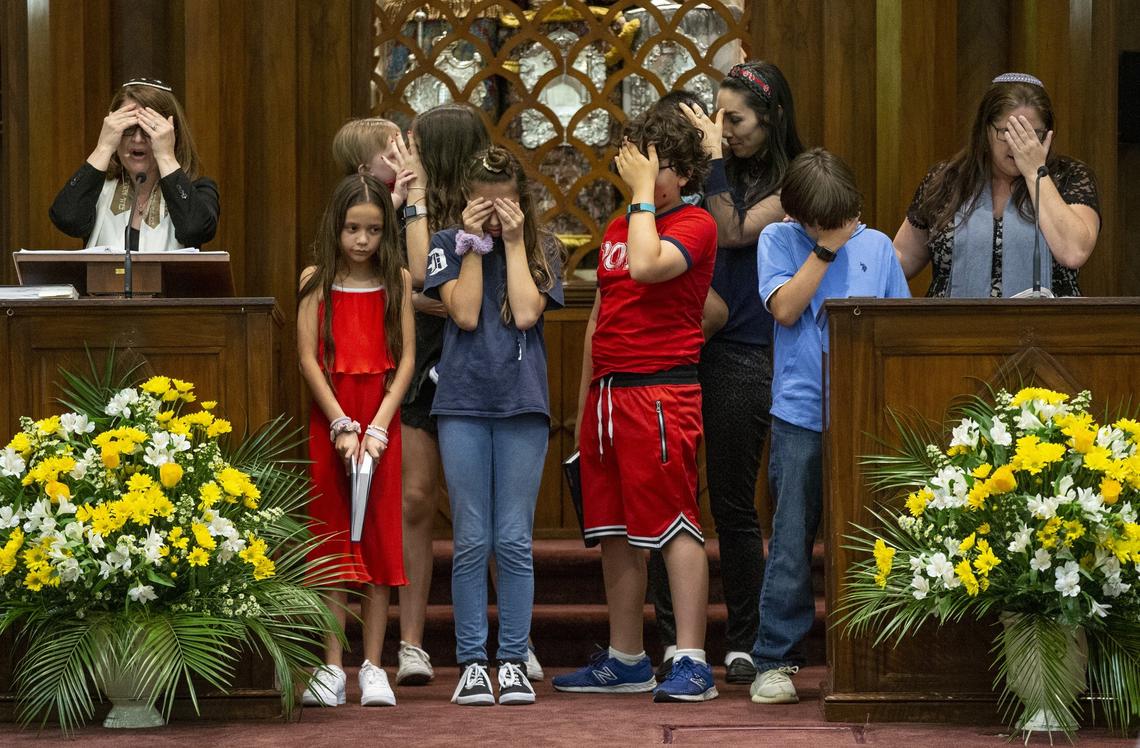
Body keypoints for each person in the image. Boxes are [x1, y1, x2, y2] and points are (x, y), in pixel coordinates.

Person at [552, 104, 718, 703]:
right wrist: (581, 405)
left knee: (674, 522)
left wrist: (645, 195)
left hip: (661, 390)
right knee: (614, 527)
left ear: (679, 169)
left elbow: (648, 269)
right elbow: (602, 313)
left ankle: (693, 660)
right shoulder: (621, 223)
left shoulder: (694, 222)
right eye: (641, 160)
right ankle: (626, 657)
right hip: (608, 393)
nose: (643, 172)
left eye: (657, 163)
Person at [648, 62, 805, 683]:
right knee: (671, 501)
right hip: (677, 348)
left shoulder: (792, 179)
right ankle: (672, 639)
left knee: (735, 503)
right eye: (716, 117)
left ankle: (743, 638)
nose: (723, 129)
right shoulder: (705, 167)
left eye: (734, 119)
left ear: (769, 122)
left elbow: (731, 227)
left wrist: (712, 163)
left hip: (744, 348)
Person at [749, 148, 910, 705]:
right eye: (823, 222)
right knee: (792, 541)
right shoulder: (776, 241)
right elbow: (786, 309)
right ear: (798, 216)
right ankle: (774, 661)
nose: (844, 228)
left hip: (864, 417)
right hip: (799, 415)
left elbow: (899, 332)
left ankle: (874, 659)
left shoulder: (880, 247)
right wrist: (823, 248)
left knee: (871, 540)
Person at [422, 145, 563, 706]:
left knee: (513, 540)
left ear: (520, 202)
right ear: (466, 200)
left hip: (522, 405)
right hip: (461, 402)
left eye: (503, 201)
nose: (493, 209)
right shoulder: (444, 247)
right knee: (470, 540)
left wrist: (513, 240)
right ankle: (473, 662)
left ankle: (512, 658)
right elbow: (464, 312)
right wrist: (474, 245)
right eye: (482, 201)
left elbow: (526, 313)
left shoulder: (542, 246)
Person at [297, 174, 415, 707]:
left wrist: (379, 426)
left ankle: (373, 666)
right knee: (331, 542)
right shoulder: (315, 280)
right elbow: (309, 360)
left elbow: (407, 359)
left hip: (380, 429)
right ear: (336, 228)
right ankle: (331, 667)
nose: (362, 240)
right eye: (351, 229)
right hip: (333, 424)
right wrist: (343, 425)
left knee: (378, 540)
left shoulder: (399, 282)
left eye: (371, 229)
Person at [893, 72, 1099, 297]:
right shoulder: (947, 179)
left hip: (1045, 329)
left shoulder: (1070, 177)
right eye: (1007, 132)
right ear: (985, 129)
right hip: (952, 329)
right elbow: (902, 258)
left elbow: (1073, 252)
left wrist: (1035, 172)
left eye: (1032, 134)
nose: (1017, 145)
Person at [49, 78, 219, 251]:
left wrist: (166, 156)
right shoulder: (97, 190)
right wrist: (104, 147)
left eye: (149, 128)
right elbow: (66, 219)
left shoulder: (199, 190)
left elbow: (195, 230)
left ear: (171, 135)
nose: (137, 139)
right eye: (127, 128)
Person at [332, 117, 415, 212]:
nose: (402, 159)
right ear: (366, 171)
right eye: (393, 156)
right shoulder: (360, 195)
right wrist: (397, 197)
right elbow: (373, 217)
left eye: (400, 152)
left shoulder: (399, 184)